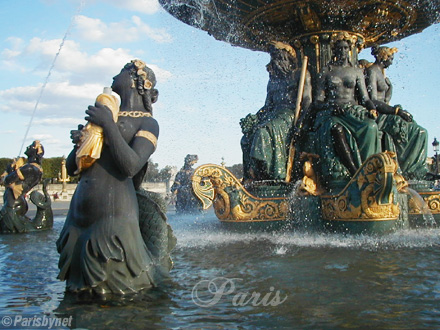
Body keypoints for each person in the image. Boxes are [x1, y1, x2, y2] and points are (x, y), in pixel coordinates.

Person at [57, 59, 170, 295]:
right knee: (79, 292)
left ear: (136, 81)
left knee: (117, 291)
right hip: (79, 216)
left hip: (113, 218)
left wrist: (108, 126)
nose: (114, 76)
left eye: (120, 71)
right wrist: (81, 141)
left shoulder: (147, 122)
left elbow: (131, 165)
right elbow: (72, 166)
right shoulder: (105, 116)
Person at [313, 32, 381, 183]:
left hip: (352, 111)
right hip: (332, 112)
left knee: (371, 127)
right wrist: (330, 106)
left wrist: (371, 109)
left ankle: (370, 168)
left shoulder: (356, 71)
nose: (342, 51)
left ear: (349, 50)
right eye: (339, 48)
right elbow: (317, 102)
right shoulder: (327, 71)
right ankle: (355, 172)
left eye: (345, 48)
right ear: (334, 50)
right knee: (336, 129)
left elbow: (365, 98)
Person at [246, 41, 312, 181]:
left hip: (288, 114)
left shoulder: (299, 75)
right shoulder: (273, 81)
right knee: (247, 136)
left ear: (287, 58)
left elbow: (307, 102)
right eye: (273, 58)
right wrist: (253, 118)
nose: (275, 61)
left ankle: (270, 175)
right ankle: (256, 175)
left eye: (279, 57)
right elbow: (267, 106)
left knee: (263, 133)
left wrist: (301, 122)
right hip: (273, 114)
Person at [366, 46, 429, 180]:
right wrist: (397, 111)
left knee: (420, 131)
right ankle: (410, 169)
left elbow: (385, 99)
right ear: (382, 56)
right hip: (378, 115)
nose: (392, 61)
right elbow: (373, 100)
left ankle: (417, 168)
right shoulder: (372, 71)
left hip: (386, 112)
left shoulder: (381, 73)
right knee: (415, 131)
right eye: (390, 58)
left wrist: (390, 88)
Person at [0, 141, 44, 232]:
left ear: (35, 152)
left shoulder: (28, 168)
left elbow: (7, 180)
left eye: (31, 146)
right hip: (18, 202)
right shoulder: (36, 168)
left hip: (12, 205)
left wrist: (10, 170)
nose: (28, 147)